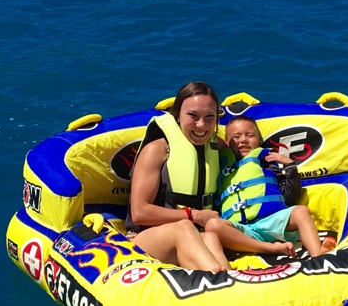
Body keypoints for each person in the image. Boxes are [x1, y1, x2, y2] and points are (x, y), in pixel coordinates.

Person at [128, 82, 292, 271]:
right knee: (184, 228)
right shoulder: (157, 150)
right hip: (147, 239)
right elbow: (139, 213)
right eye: (193, 115)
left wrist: (284, 166)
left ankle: (227, 278)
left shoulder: (216, 147)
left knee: (210, 237)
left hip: (194, 235)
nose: (201, 125)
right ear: (178, 115)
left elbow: (247, 159)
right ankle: (219, 277)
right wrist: (194, 215)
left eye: (209, 117)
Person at [216, 116, 335, 257]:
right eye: (236, 136)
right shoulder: (219, 165)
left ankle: (317, 255)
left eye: (250, 135)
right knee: (214, 225)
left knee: (301, 211)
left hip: (272, 223)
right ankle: (269, 248)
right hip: (241, 231)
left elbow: (289, 198)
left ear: (259, 141)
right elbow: (210, 139)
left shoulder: (267, 161)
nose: (243, 140)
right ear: (227, 143)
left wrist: (290, 166)